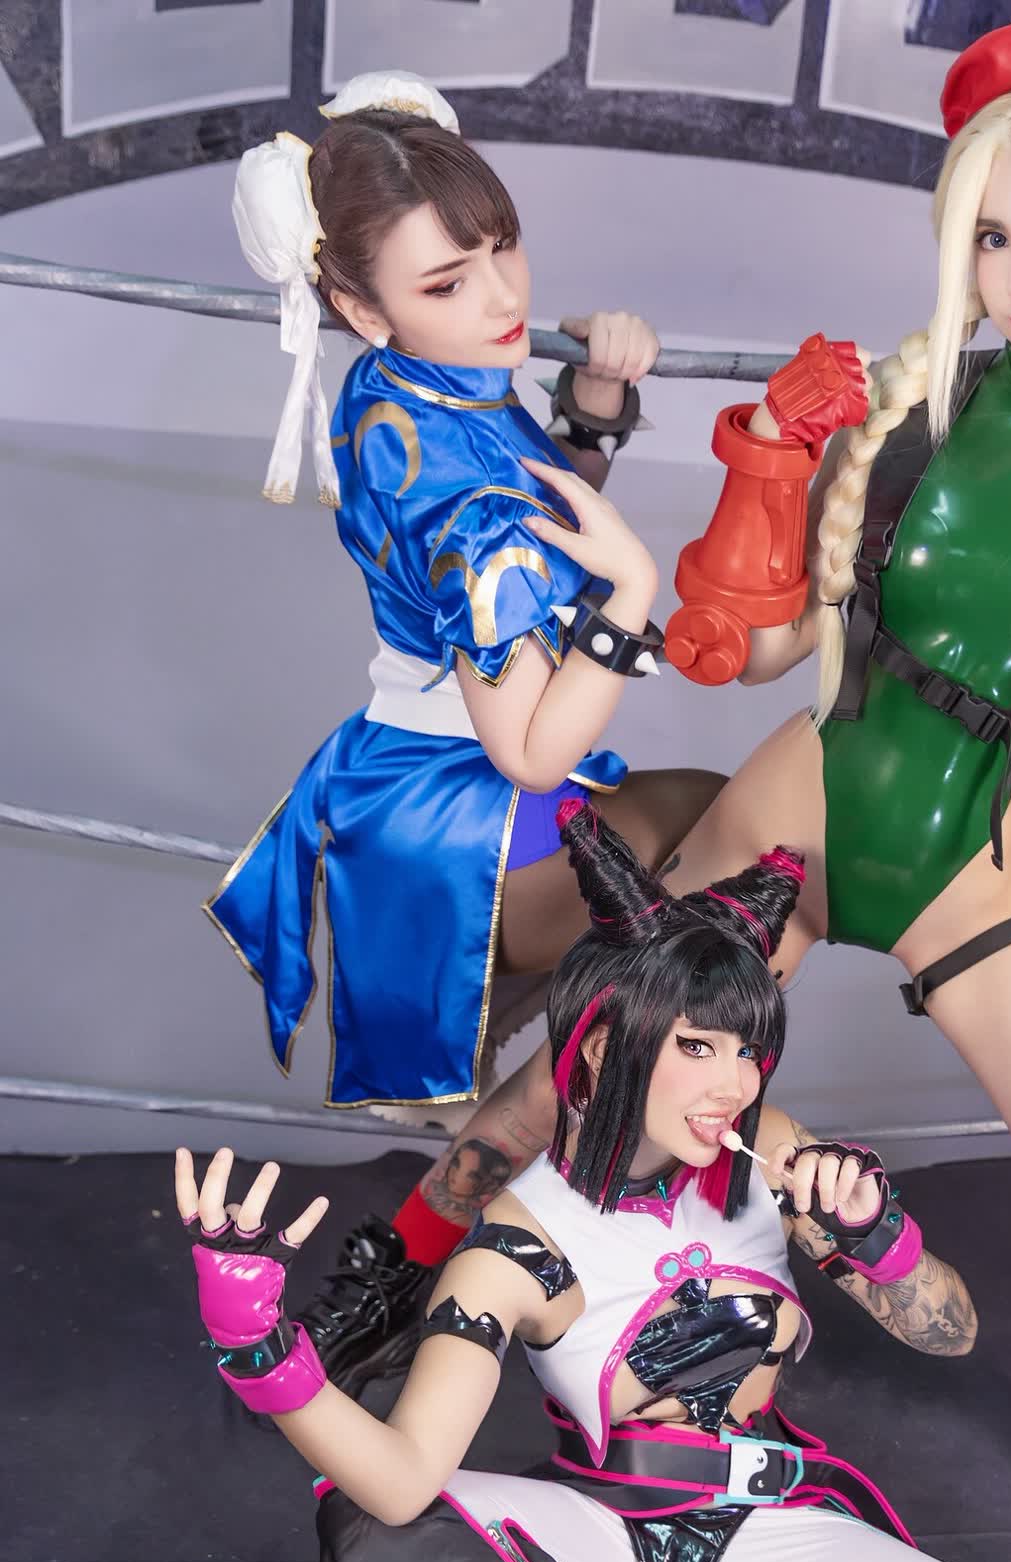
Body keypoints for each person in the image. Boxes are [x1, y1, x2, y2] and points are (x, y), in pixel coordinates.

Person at [176, 804, 1011, 1562]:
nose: (734, 1083)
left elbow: (951, 1327)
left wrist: (880, 1239)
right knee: (386, 1536)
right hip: (600, 1539)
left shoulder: (774, 1157)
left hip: (767, 1535)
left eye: (748, 1049)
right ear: (604, 1044)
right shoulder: (520, 1242)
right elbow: (404, 1478)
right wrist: (260, 1348)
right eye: (698, 1046)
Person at [657, 22, 1011, 1562]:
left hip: (971, 859)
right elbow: (745, 651)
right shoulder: (911, 408)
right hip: (801, 810)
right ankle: (416, 1273)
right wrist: (766, 466)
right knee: (592, 1072)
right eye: (989, 234)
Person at [206, 70, 723, 1387]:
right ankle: (529, 1247)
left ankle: (407, 1262)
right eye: (448, 280)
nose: (501, 299)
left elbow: (530, 522)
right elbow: (531, 745)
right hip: (477, 816)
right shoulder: (444, 477)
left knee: (646, 979)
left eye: (503, 249)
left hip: (407, 781)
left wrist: (589, 413)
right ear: (357, 305)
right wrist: (631, 601)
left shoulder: (410, 383)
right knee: (728, 869)